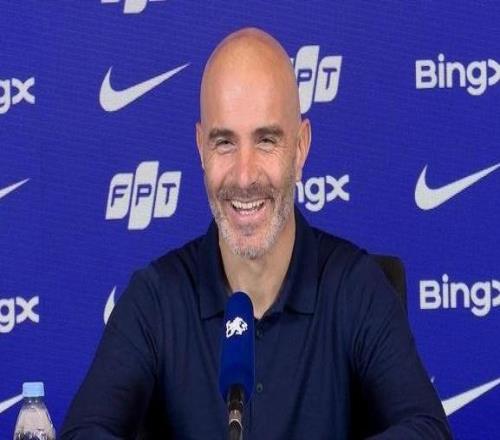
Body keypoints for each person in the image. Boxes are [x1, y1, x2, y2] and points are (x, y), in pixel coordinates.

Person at [61, 28, 452, 439]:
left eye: (266, 141)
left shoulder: (355, 287)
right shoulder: (156, 298)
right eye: (224, 143)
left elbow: (427, 429)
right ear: (201, 149)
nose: (245, 176)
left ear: (300, 148)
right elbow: (83, 433)